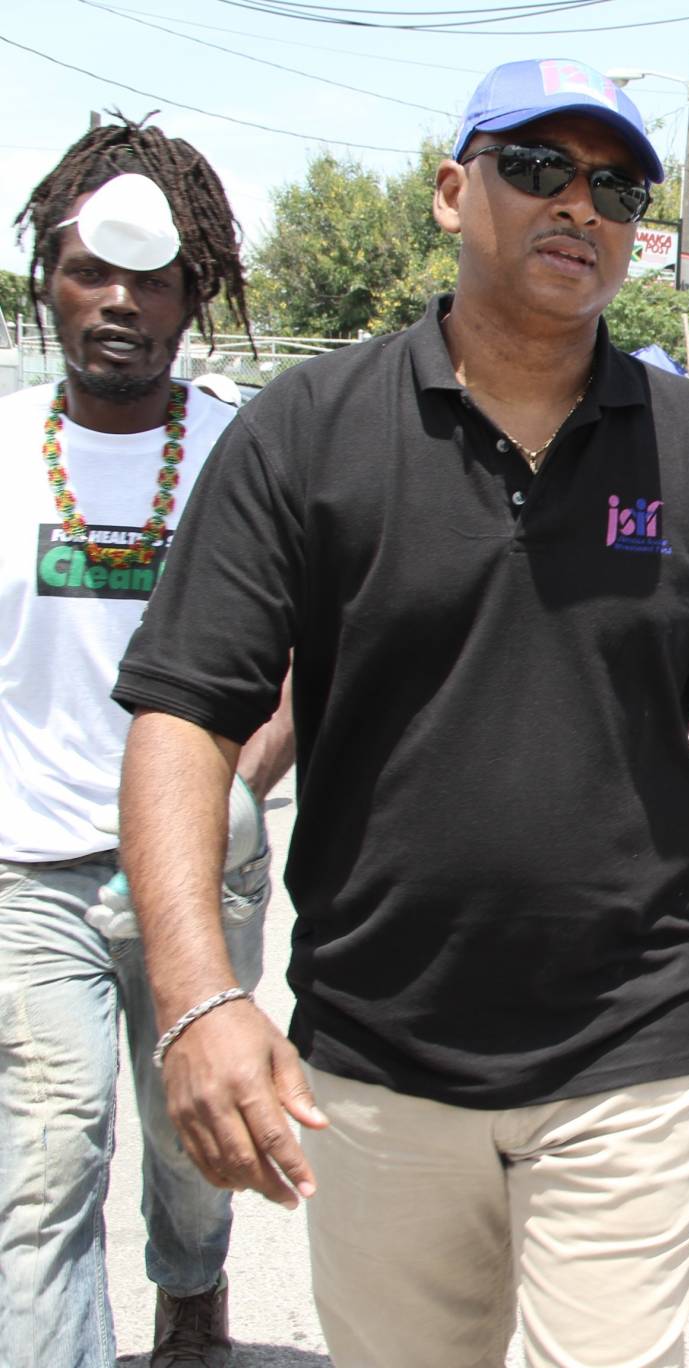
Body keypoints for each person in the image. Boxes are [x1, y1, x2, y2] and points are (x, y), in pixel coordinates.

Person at [111, 57, 689, 1368]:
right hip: (378, 1061)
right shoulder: (303, 432)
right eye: (538, 169)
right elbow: (182, 716)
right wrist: (197, 998)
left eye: (615, 187)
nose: (580, 208)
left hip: (633, 1049)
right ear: (453, 192)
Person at [0, 116, 291, 1368]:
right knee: (47, 1157)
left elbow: (303, 659)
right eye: (89, 271)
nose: (118, 302)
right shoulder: (7, 450)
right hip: (26, 870)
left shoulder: (244, 448)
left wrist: (228, 789)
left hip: (201, 859)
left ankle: (192, 1287)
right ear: (47, 282)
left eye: (154, 278)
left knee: (193, 1145)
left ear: (197, 291)